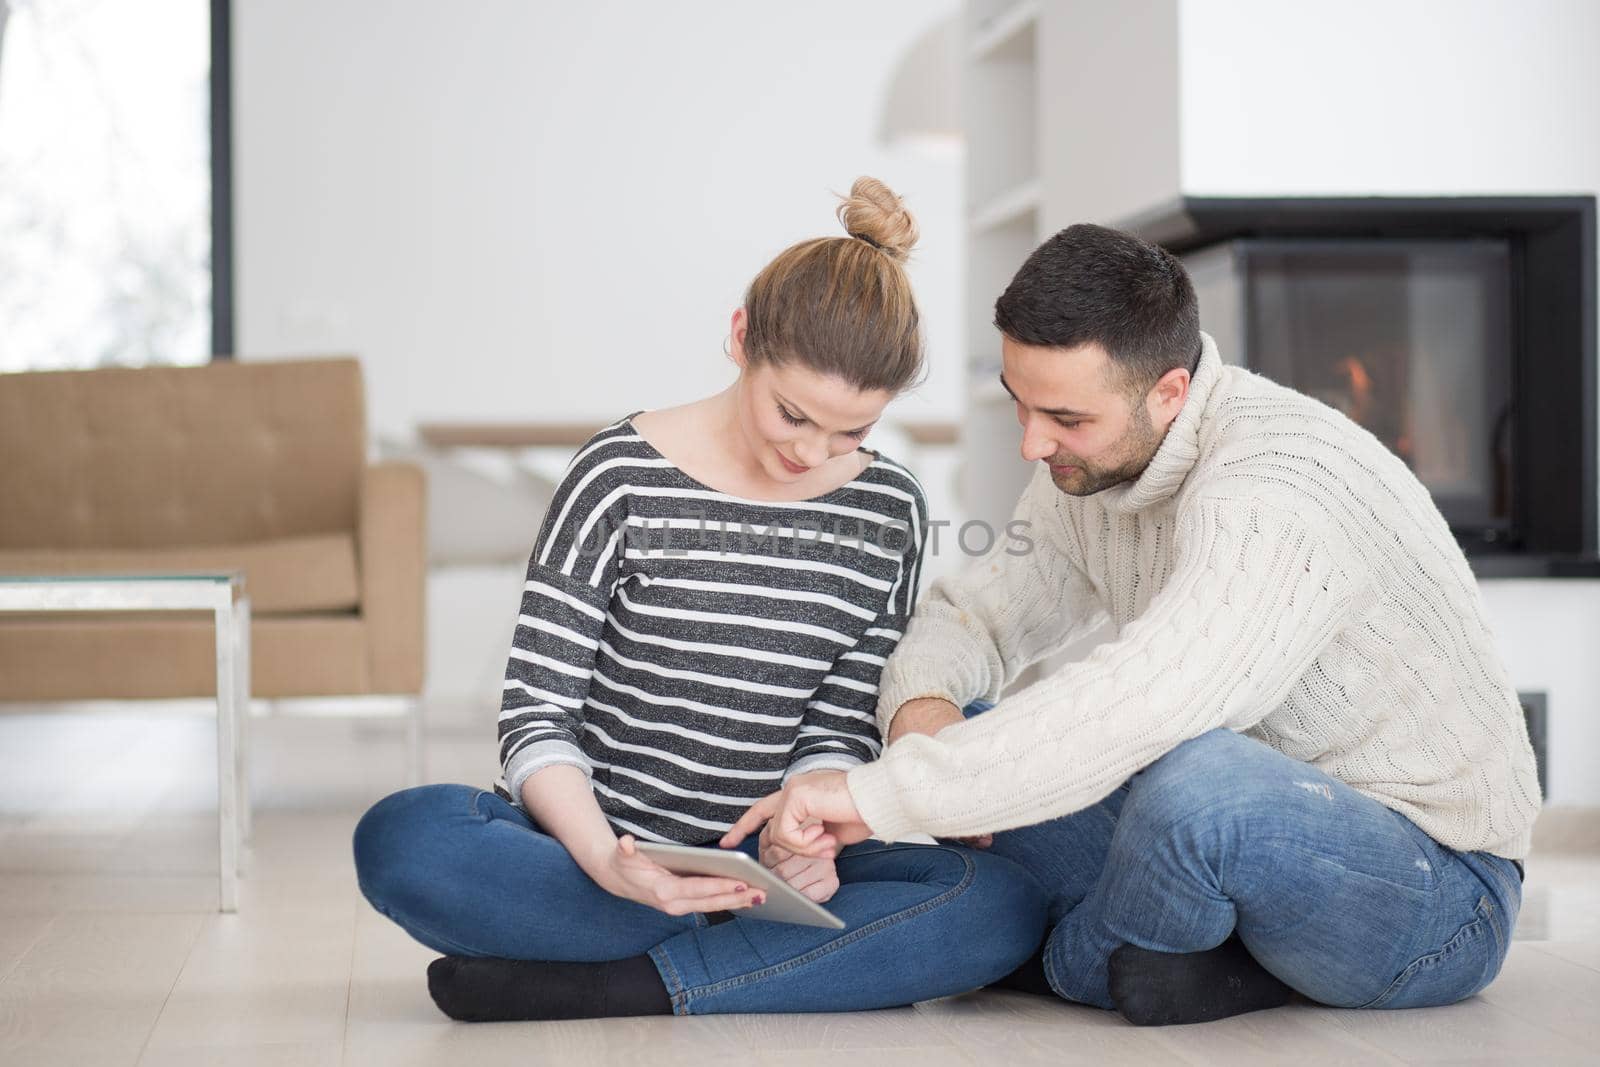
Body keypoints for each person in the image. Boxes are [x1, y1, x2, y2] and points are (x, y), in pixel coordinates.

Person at [728, 222, 1540, 1026]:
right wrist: (922, 731)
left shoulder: (1275, 488)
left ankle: (1065, 960)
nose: (1032, 443)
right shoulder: (1089, 469)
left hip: (1439, 887)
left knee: (1198, 788)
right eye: (1022, 405)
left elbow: (1148, 700)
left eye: (1066, 419)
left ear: (1169, 394)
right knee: (966, 734)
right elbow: (970, 616)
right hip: (1190, 818)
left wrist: (883, 795)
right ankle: (1170, 953)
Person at [352, 178, 1047, 1022]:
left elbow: (836, 719)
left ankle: (620, 983)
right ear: (740, 336)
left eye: (850, 432)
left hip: (768, 867)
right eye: (792, 413)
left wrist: (812, 828)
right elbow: (536, 714)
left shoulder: (886, 507)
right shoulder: (618, 475)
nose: (811, 450)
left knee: (998, 902)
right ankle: (767, 963)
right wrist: (608, 858)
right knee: (404, 839)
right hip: (597, 854)